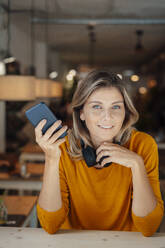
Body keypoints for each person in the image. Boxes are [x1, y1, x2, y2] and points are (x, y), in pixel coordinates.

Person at [36, 70, 164, 237]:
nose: (107, 117)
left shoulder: (143, 145)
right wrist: (51, 159)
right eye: (97, 106)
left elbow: (149, 227)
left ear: (125, 111)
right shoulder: (62, 147)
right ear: (81, 112)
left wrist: (136, 164)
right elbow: (50, 224)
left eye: (116, 107)